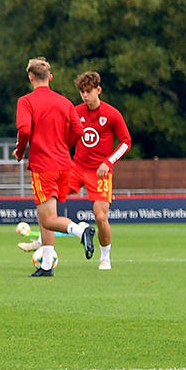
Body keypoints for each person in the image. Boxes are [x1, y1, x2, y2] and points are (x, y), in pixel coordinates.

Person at [13, 58, 96, 275]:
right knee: (47, 217)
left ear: (30, 77)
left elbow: (23, 130)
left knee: (48, 220)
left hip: (44, 166)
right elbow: (78, 131)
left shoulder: (26, 101)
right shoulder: (65, 102)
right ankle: (47, 265)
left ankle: (81, 231)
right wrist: (63, 146)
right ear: (50, 78)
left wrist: (20, 152)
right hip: (64, 165)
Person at [63, 71, 130, 270]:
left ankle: (105, 257)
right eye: (82, 92)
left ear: (98, 90)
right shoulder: (76, 112)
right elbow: (65, 137)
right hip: (77, 168)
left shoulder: (111, 114)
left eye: (89, 91)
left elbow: (126, 142)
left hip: (100, 172)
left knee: (100, 217)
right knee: (50, 198)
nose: (85, 96)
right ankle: (47, 241)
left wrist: (108, 162)